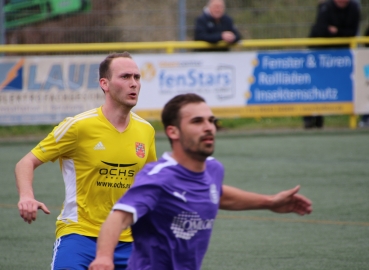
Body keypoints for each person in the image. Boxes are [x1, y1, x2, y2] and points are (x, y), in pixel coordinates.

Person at [89, 93, 313, 270]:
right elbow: (117, 217)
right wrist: (103, 258)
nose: (208, 127)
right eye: (197, 121)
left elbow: (215, 192)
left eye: (211, 120)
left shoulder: (213, 169)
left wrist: (270, 202)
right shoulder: (158, 177)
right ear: (173, 131)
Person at [15, 52, 157, 270]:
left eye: (137, 78)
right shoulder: (78, 126)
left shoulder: (146, 130)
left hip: (130, 239)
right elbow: (26, 162)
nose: (134, 84)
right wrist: (26, 196)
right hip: (80, 235)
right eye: (126, 77)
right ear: (105, 84)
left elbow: (150, 183)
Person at [303, 0, 360, 129]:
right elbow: (321, 29)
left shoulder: (353, 8)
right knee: (314, 84)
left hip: (341, 56)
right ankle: (311, 118)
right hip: (319, 53)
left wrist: (336, 30)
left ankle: (354, 116)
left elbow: (352, 32)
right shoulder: (326, 7)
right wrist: (336, 32)